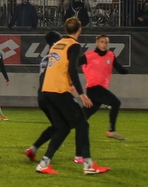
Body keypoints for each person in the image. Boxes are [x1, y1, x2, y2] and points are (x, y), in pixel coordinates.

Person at [33, 17, 109, 175]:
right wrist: (82, 94)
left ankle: (44, 163)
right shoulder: (74, 45)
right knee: (82, 124)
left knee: (63, 128)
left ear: (66, 30)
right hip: (59, 91)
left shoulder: (56, 45)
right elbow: (73, 70)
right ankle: (88, 165)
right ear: (79, 30)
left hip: (46, 91)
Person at [25, 31, 66, 163]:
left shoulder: (45, 59)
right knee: (63, 126)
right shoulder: (57, 58)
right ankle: (47, 158)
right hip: (51, 95)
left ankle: (33, 149)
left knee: (57, 125)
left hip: (41, 96)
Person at [79, 35, 129, 142]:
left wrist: (127, 71)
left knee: (81, 118)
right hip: (94, 89)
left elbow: (119, 68)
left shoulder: (110, 55)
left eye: (106, 42)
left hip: (100, 90)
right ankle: (111, 130)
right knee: (116, 103)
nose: (104, 44)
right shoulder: (88, 56)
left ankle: (61, 128)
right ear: (97, 43)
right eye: (102, 42)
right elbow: (74, 63)